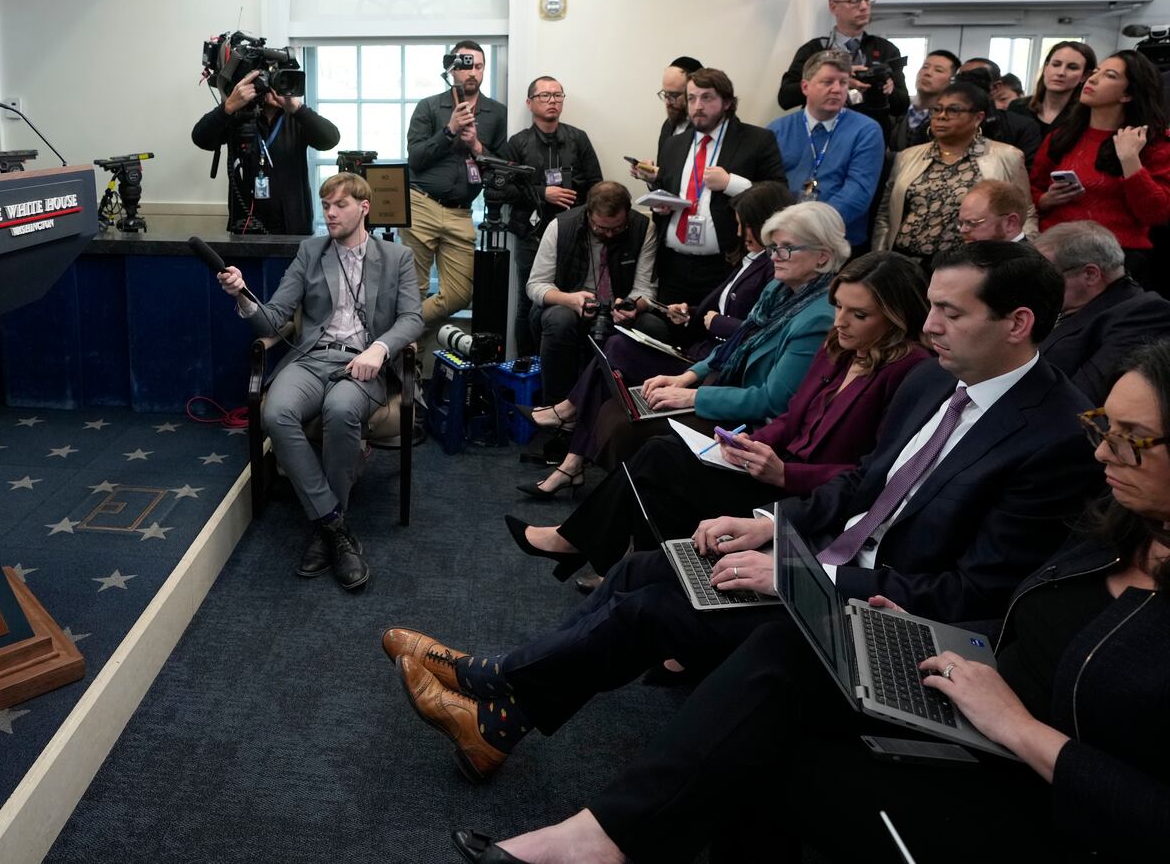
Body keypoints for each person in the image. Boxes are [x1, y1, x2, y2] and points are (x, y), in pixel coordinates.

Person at [385, 243, 1099, 784]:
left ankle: (493, 682)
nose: (930, 324)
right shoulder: (940, 381)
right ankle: (500, 713)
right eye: (931, 306)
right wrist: (772, 525)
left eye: (950, 312)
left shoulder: (1052, 434)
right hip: (822, 558)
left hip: (881, 615)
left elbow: (978, 594)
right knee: (643, 567)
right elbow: (860, 486)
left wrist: (801, 576)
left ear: (1019, 323)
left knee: (651, 608)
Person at [443, 340, 1170, 864]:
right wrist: (924, 631)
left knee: (742, 730)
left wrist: (1017, 726)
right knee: (727, 626)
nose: (1104, 453)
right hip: (974, 697)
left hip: (1047, 789)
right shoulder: (1121, 525)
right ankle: (569, 802)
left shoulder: (1047, 448)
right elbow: (1008, 609)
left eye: (1131, 438)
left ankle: (544, 759)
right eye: (1102, 429)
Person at [516, 251, 931, 578]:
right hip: (776, 471)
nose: (839, 321)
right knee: (661, 455)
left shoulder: (908, 372)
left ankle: (594, 551)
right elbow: (791, 417)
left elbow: (876, 475)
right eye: (839, 307)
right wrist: (751, 443)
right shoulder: (839, 346)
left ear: (896, 317)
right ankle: (622, 566)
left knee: (660, 466)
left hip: (808, 496)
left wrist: (784, 473)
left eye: (858, 314)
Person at [517, 201, 844, 499]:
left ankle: (598, 493)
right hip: (717, 378)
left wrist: (692, 396)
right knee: (618, 397)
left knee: (623, 422)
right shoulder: (779, 289)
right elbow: (736, 344)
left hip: (749, 419)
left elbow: (771, 400)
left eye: (786, 249)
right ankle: (605, 505)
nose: (773, 256)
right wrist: (687, 377)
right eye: (774, 247)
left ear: (823, 257)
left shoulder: (818, 317)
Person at [215, 172, 423, 591]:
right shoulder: (310, 252)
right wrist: (241, 293)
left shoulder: (397, 257)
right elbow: (274, 317)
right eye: (325, 205)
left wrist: (380, 349)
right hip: (311, 359)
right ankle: (332, 524)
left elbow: (413, 318)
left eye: (340, 205)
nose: (329, 213)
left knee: (341, 409)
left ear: (364, 207)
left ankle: (324, 527)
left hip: (362, 364)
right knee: (276, 412)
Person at [646, 67, 786, 305]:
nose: (697, 105)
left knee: (713, 330)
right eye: (691, 98)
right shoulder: (673, 144)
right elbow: (667, 188)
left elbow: (779, 196)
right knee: (669, 330)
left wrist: (731, 183)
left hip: (725, 263)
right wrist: (661, 203)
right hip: (673, 263)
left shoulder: (757, 140)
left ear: (727, 102)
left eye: (707, 97)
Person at [1031, 49, 1170, 285]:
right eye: (1095, 72)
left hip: (1116, 260)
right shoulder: (1062, 137)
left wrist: (1130, 162)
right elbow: (1032, 189)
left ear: (1127, 94)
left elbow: (1156, 213)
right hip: (1054, 252)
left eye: (1110, 75)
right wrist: (1045, 200)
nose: (1092, 79)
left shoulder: (1153, 143)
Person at [872, 73, 1036, 265]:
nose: (942, 116)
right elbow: (885, 215)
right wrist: (878, 258)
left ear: (978, 118)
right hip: (905, 263)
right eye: (937, 110)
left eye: (954, 110)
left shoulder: (1007, 156)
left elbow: (1026, 213)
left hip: (972, 265)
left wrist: (1025, 260)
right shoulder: (907, 157)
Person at [402, 40, 507, 329]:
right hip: (421, 205)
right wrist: (449, 130)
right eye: (465, 65)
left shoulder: (497, 113)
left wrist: (475, 145)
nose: (472, 72)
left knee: (460, 295)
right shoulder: (429, 107)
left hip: (462, 212)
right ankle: (411, 366)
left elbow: (503, 166)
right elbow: (417, 158)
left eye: (479, 66)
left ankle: (395, 331)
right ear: (451, 68)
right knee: (413, 292)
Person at [523, 181, 657, 404]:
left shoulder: (643, 228)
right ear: (588, 214)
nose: (610, 234)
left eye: (617, 228)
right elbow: (535, 285)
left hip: (618, 308)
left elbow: (646, 289)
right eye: (601, 228)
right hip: (570, 305)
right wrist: (570, 300)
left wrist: (633, 305)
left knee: (653, 326)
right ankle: (557, 407)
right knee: (559, 319)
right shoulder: (560, 226)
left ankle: (635, 407)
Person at [505, 76, 603, 356]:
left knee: (571, 297)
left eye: (557, 96)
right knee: (528, 302)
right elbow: (503, 189)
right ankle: (527, 363)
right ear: (529, 102)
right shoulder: (518, 142)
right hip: (530, 235)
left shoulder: (578, 138)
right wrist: (542, 193)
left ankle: (566, 362)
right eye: (545, 96)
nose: (552, 101)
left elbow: (597, 183)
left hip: (575, 235)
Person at [191, 64, 341, 235]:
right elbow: (201, 138)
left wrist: (298, 109)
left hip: (293, 225)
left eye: (279, 81)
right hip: (246, 225)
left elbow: (331, 139)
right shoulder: (238, 115)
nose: (274, 88)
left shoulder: (296, 118)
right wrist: (227, 107)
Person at [1034, 221, 1170, 405]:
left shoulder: (1144, 314)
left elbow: (1083, 396)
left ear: (1090, 274)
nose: (1038, 285)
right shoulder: (1066, 304)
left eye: (1047, 276)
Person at [766, 49, 885, 245]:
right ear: (805, 87)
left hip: (837, 241)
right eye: (828, 82)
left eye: (843, 82)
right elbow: (768, 188)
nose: (837, 89)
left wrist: (809, 228)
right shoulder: (777, 130)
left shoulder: (866, 130)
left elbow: (858, 193)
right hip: (783, 239)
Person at [777, 0, 909, 132]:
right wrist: (837, 80)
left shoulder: (886, 50)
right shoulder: (814, 50)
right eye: (855, 1)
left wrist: (887, 88)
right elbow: (785, 98)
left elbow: (901, 106)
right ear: (833, 7)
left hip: (869, 136)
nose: (864, 6)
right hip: (820, 134)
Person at [1008, 40, 1097, 141]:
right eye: (1056, 64)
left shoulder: (1086, 118)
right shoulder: (1017, 107)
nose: (1061, 72)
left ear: (1085, 76)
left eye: (1072, 67)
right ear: (1046, 68)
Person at [958, 58, 1043, 162]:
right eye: (960, 80)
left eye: (974, 79)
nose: (965, 87)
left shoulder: (1023, 127)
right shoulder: (944, 121)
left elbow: (1025, 171)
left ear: (995, 87)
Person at [632, 56, 701, 178]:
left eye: (674, 95)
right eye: (665, 94)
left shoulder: (707, 128)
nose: (667, 102)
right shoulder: (667, 126)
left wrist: (661, 175)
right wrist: (651, 176)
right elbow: (663, 181)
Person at [890, 48, 962, 151]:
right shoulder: (897, 110)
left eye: (938, 70)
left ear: (952, 80)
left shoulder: (950, 119)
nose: (928, 73)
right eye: (925, 67)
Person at [956, 177, 1036, 244]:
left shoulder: (1028, 262)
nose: (962, 230)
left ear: (1011, 223)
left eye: (972, 223)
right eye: (961, 223)